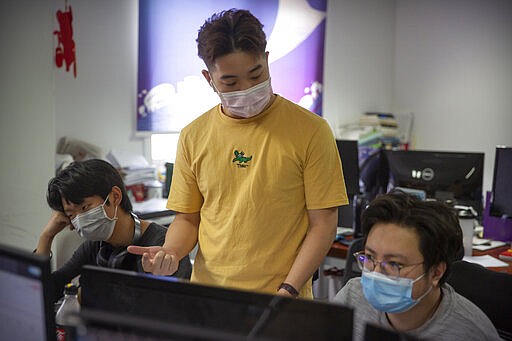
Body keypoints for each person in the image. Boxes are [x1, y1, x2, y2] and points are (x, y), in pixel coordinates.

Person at [128, 9, 348, 299]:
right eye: (230, 82)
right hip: (209, 299)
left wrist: (289, 289)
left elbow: (323, 225)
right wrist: (170, 252)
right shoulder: (194, 135)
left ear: (267, 60)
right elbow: (187, 220)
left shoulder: (311, 130)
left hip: (281, 300)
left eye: (256, 75)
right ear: (209, 78)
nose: (246, 89)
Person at [332, 191, 500, 340]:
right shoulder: (351, 297)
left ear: (436, 273)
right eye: (369, 257)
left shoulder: (472, 332)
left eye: (394, 264)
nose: (375, 272)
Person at [34, 159, 192, 302]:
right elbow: (43, 292)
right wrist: (46, 236)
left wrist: (89, 294)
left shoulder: (165, 246)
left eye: (84, 207)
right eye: (71, 215)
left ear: (115, 196)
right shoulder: (96, 246)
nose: (79, 220)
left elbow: (169, 312)